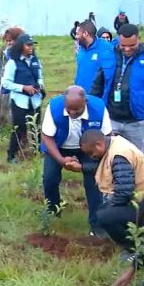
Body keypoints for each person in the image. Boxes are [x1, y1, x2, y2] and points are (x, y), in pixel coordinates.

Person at [79, 129, 144, 255]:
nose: (91, 157)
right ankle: (134, 239)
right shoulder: (114, 145)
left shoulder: (119, 155)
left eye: (91, 152)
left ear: (99, 144)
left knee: (105, 216)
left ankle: (133, 247)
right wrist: (82, 167)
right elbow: (109, 168)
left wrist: (110, 210)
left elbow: (124, 193)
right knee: (103, 211)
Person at [40, 86, 111, 236]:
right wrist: (61, 160)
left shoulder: (98, 108)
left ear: (85, 102)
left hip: (88, 148)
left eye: (77, 109)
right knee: (49, 178)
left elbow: (107, 136)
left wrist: (91, 164)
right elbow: (47, 137)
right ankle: (53, 213)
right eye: (69, 109)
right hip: (59, 147)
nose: (72, 113)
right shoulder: (54, 107)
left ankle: (96, 225)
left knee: (94, 182)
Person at [90, 24, 144, 155]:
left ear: (139, 38)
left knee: (137, 159)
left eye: (132, 45)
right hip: (111, 119)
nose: (127, 49)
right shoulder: (107, 56)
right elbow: (97, 87)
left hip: (138, 122)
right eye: (123, 45)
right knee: (109, 157)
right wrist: (91, 113)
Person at [2, 34, 44, 163]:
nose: (31, 47)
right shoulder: (13, 63)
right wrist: (23, 88)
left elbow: (40, 77)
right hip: (20, 101)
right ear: (21, 46)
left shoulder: (35, 61)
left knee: (36, 127)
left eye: (32, 45)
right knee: (18, 128)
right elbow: (6, 83)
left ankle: (38, 153)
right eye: (28, 45)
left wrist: (39, 86)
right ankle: (11, 155)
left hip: (35, 100)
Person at [74, 21, 116, 93]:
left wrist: (103, 99)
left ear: (85, 34)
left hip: (95, 98)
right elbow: (79, 73)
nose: (76, 36)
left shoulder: (106, 49)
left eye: (77, 34)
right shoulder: (81, 50)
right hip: (80, 96)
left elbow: (110, 79)